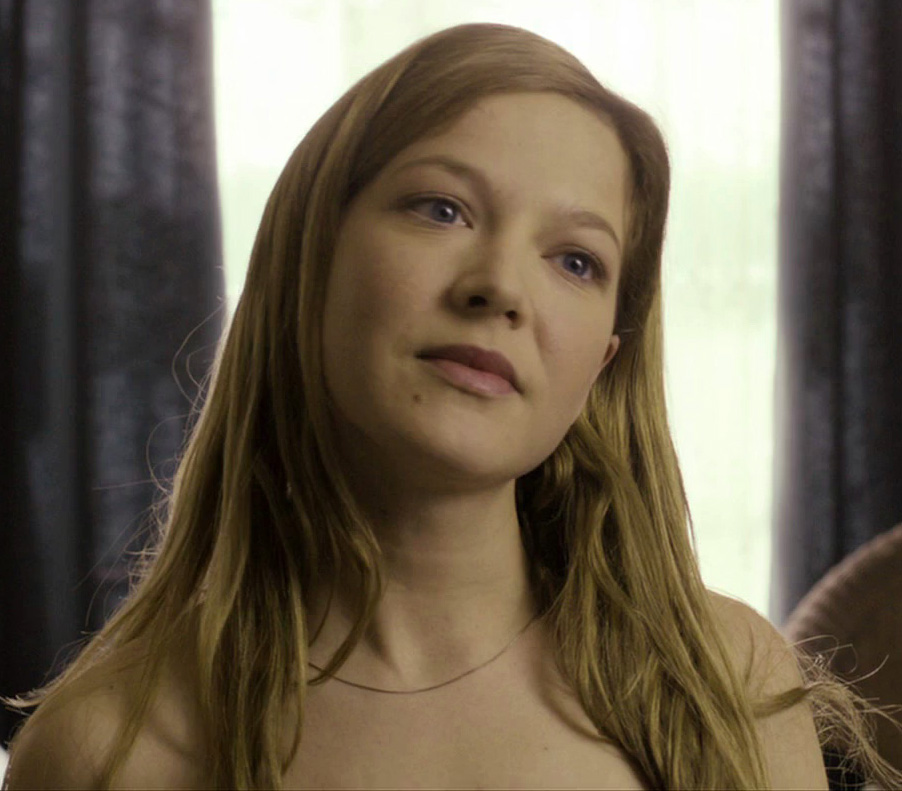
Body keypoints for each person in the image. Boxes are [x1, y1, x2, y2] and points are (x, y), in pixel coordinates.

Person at [4, 21, 901, 790]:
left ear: (602, 362)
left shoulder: (727, 686)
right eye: (442, 209)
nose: (500, 286)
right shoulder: (105, 752)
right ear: (307, 255)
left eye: (576, 260)